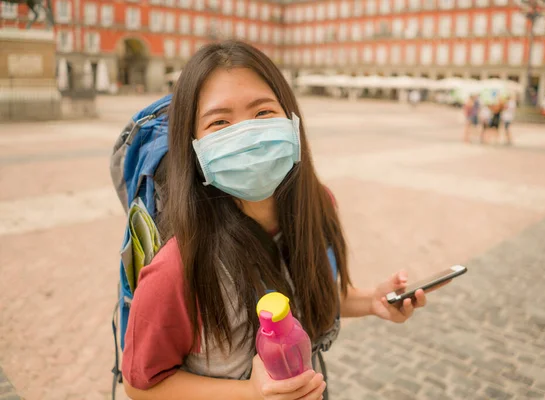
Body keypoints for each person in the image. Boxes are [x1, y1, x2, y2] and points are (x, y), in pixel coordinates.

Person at [122, 40, 440, 400]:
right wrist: (250, 393)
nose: (247, 136)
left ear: (291, 119)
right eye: (220, 122)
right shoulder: (177, 267)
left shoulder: (318, 207)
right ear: (192, 146)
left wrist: (371, 301)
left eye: (262, 113)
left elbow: (300, 295)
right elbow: (140, 384)